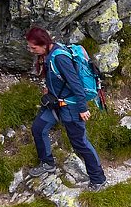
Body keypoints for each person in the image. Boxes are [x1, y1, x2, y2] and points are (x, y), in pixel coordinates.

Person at [23, 26, 107, 190]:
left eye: (33, 47)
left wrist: (82, 108)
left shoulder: (60, 58)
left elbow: (76, 84)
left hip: (71, 106)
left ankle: (98, 179)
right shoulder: (49, 53)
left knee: (80, 143)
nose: (31, 50)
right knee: (38, 128)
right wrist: (49, 87)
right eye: (29, 47)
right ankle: (47, 163)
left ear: (44, 43)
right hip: (55, 103)